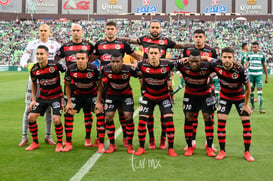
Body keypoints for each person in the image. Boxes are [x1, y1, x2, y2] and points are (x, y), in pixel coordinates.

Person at [122, 20, 191, 149]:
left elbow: (180, 46)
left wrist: (193, 46)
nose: (154, 29)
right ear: (149, 28)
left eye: (157, 27)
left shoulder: (166, 41)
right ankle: (152, 138)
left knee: (165, 114)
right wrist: (117, 38)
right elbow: (130, 41)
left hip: (163, 73)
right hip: (147, 75)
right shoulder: (143, 39)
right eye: (152, 27)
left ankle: (163, 139)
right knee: (148, 114)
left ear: (160, 29)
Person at [91, 21, 142, 147]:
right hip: (104, 81)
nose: (109, 31)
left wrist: (145, 63)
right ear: (105, 30)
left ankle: (125, 136)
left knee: (122, 111)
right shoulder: (99, 44)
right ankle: (99, 136)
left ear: (116, 30)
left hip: (120, 79)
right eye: (107, 28)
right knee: (103, 111)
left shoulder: (122, 44)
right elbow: (90, 59)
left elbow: (136, 56)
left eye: (112, 28)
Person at [207, 47, 254, 161]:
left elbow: (248, 87)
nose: (227, 60)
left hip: (239, 97)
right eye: (224, 57)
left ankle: (247, 152)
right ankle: (222, 151)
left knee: (246, 123)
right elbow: (207, 58)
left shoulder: (240, 70)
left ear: (233, 59)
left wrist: (246, 104)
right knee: (221, 123)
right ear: (221, 58)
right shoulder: (216, 64)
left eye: (229, 57)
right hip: (225, 97)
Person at [55, 23, 97, 147]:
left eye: (78, 30)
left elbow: (96, 55)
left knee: (88, 112)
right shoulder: (65, 47)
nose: (76, 32)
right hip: (72, 84)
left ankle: (88, 138)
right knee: (69, 110)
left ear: (82, 31)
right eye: (73, 30)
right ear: (70, 32)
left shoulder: (89, 46)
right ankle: (69, 140)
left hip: (88, 83)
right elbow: (55, 60)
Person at [19, 24, 61, 147]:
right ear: (39, 32)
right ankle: (24, 136)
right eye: (41, 30)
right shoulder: (32, 44)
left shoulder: (55, 45)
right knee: (28, 109)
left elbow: (61, 56)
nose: (43, 32)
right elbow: (23, 60)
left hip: (49, 82)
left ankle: (48, 136)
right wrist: (28, 66)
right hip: (34, 80)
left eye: (45, 30)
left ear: (49, 31)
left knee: (48, 109)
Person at [134, 45, 177, 157]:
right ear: (147, 54)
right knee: (142, 121)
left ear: (160, 54)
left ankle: (170, 147)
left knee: (169, 120)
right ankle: (142, 146)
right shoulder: (141, 65)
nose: (153, 55)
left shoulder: (168, 64)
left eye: (155, 53)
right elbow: (133, 71)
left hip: (164, 96)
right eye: (151, 53)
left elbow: (181, 65)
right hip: (149, 96)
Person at [25, 45, 66, 152]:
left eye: (41, 54)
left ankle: (59, 143)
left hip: (56, 96)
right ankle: (35, 142)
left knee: (56, 119)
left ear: (47, 55)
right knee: (30, 117)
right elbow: (34, 84)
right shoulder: (34, 69)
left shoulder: (55, 65)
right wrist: (33, 100)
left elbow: (67, 73)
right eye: (37, 54)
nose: (39, 56)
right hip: (43, 97)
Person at [182, 29, 218, 151]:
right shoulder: (187, 50)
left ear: (204, 38)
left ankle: (210, 144)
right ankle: (192, 141)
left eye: (200, 36)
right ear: (193, 37)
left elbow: (215, 69)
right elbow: (183, 66)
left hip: (207, 87)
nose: (198, 38)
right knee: (192, 115)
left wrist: (208, 77)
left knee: (208, 116)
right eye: (196, 36)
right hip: (192, 87)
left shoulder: (211, 51)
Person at [176, 49, 216, 157]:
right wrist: (181, 60)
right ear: (188, 60)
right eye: (191, 61)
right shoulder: (182, 65)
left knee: (208, 118)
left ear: (200, 60)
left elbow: (220, 63)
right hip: (190, 94)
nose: (194, 64)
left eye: (197, 61)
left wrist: (207, 58)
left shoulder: (207, 66)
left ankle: (209, 147)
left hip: (205, 94)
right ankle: (189, 147)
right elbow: (167, 63)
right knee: (189, 118)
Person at [63, 50, 105, 152]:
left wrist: (99, 102)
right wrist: (68, 102)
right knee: (68, 112)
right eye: (78, 59)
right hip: (77, 95)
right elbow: (67, 85)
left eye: (82, 59)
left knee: (100, 113)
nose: (80, 61)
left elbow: (100, 85)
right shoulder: (71, 69)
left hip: (92, 95)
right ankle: (68, 142)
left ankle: (100, 143)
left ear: (87, 59)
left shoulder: (93, 68)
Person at [99, 52, 139, 154]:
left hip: (126, 95)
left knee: (128, 117)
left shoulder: (128, 69)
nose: (115, 64)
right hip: (111, 95)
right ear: (110, 62)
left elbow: (141, 75)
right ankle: (112, 144)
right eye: (113, 62)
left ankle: (129, 144)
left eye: (117, 62)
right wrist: (100, 100)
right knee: (108, 117)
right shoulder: (105, 70)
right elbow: (100, 84)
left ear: (122, 62)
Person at [245, 41, 268, 113]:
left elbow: (264, 66)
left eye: (255, 47)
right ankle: (252, 107)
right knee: (251, 91)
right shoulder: (248, 54)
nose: (253, 49)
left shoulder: (262, 55)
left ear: (258, 47)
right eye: (252, 47)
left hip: (259, 75)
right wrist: (244, 70)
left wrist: (266, 77)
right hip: (251, 75)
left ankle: (260, 108)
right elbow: (246, 64)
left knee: (259, 91)